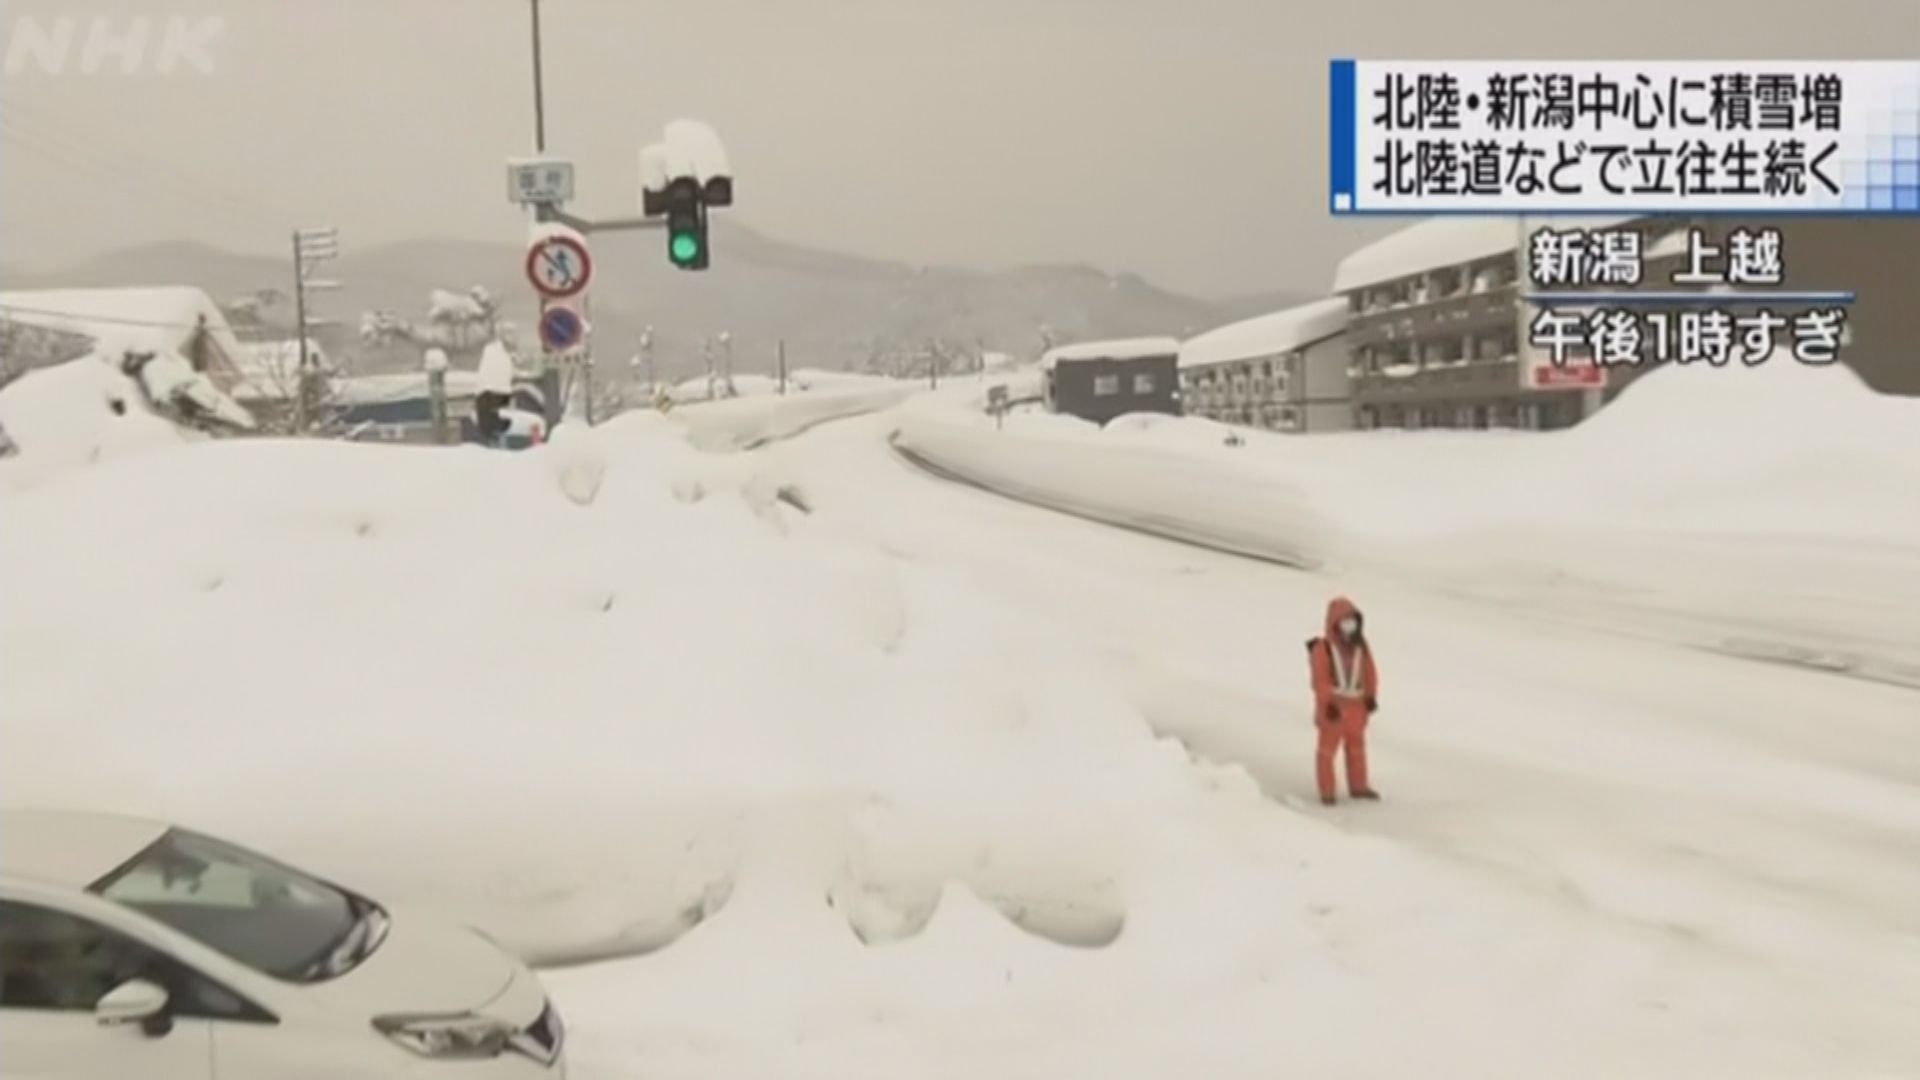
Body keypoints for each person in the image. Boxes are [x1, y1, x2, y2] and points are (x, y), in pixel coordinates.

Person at [1307, 596, 1380, 806]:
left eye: (1353, 620)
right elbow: (1319, 679)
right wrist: (1327, 702)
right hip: (1335, 708)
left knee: (1357, 748)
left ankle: (1359, 786)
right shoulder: (1324, 648)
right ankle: (1327, 792)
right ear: (1335, 623)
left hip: (1356, 707)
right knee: (1327, 752)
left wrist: (1371, 697)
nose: (1350, 625)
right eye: (1345, 620)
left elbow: (1370, 673)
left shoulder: (1361, 647)